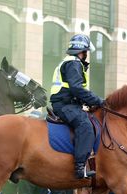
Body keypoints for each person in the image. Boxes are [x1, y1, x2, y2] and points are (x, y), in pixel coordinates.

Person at [50, 34, 103, 179]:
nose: (86, 55)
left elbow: (74, 90)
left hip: (66, 103)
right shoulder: (74, 63)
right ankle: (80, 166)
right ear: (82, 51)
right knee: (85, 126)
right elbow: (76, 89)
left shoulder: (70, 62)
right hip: (65, 105)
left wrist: (87, 101)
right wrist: (98, 101)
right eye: (86, 52)